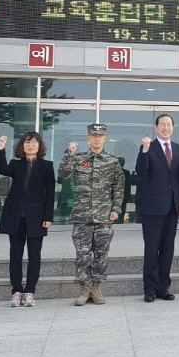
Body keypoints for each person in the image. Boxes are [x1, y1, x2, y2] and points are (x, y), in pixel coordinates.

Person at [58, 123, 124, 306]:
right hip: (82, 216)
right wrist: (69, 154)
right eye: (93, 135)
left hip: (104, 216)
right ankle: (84, 289)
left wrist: (116, 209)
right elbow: (63, 175)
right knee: (83, 255)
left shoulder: (112, 161)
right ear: (88, 138)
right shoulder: (78, 159)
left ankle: (97, 289)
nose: (96, 138)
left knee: (101, 255)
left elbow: (118, 187)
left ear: (105, 138)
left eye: (100, 136)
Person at [0, 132, 55, 307]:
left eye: (34, 143)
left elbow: (50, 193)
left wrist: (48, 216)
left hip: (37, 217)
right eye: (27, 142)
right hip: (15, 216)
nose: (31, 145)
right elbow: (2, 170)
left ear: (40, 146)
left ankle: (30, 291)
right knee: (15, 255)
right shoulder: (16, 165)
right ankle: (16, 291)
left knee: (34, 256)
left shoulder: (47, 166)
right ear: (22, 146)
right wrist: (1, 150)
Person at [136, 114, 179, 303]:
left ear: (173, 127)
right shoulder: (148, 147)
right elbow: (141, 172)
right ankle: (149, 289)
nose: (166, 128)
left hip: (172, 206)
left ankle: (163, 287)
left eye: (169, 125)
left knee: (167, 249)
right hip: (152, 207)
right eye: (162, 125)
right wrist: (145, 151)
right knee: (151, 249)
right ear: (156, 127)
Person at [117, 157, 132, 224]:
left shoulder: (126, 173)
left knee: (122, 210)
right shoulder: (113, 173)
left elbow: (128, 185)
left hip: (123, 195)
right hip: (116, 196)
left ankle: (119, 222)